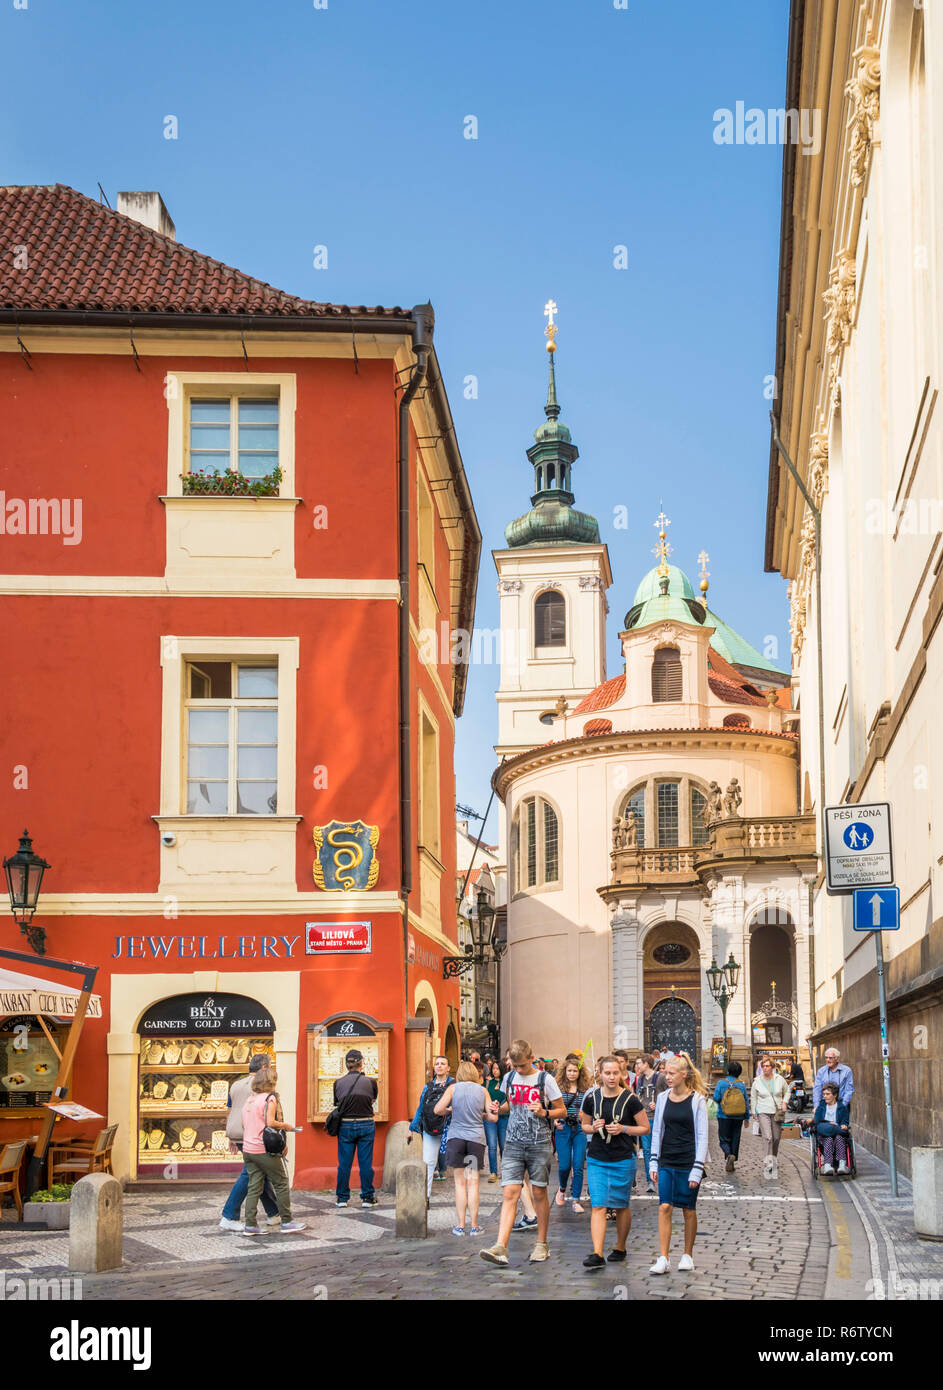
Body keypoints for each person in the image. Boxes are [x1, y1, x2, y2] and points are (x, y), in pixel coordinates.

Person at [479, 1038, 565, 1267]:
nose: (518, 1070)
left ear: (531, 1057)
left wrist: (544, 1112)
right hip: (514, 1142)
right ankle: (500, 1246)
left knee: (538, 1193)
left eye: (522, 1066)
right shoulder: (508, 1078)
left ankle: (542, 1243)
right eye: (514, 1066)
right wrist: (500, 1108)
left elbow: (562, 1111)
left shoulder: (545, 1080)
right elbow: (510, 1105)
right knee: (510, 1193)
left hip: (539, 1143)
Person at [580, 1055, 649, 1270]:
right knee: (598, 1204)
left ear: (621, 1074)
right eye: (607, 1073)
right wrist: (595, 1127)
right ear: (600, 1074)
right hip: (597, 1157)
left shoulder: (631, 1099)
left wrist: (623, 1129)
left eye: (615, 1073)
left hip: (622, 1157)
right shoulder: (592, 1098)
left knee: (620, 1205)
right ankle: (597, 1252)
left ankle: (620, 1246)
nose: (611, 1077)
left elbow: (645, 1128)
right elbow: (585, 1126)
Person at [648, 1052, 708, 1275]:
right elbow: (657, 1131)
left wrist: (697, 1169)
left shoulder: (697, 1100)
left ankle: (687, 1254)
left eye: (672, 1073)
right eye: (666, 1073)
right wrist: (653, 1162)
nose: (668, 1077)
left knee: (688, 1209)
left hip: (688, 1160)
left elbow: (702, 1136)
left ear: (684, 1074)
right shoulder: (663, 1097)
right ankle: (663, 1257)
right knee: (664, 1206)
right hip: (667, 1159)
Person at [240, 1065, 306, 1236]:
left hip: (248, 1149)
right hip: (263, 1149)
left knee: (254, 1186)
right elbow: (270, 1122)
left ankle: (250, 1225)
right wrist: (287, 1127)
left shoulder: (250, 1099)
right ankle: (287, 1221)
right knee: (282, 1182)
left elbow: (243, 1124)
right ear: (271, 1082)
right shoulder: (270, 1099)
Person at [434, 1061, 498, 1234]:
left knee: (460, 1184)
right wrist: (485, 1114)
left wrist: (449, 1110)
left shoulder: (453, 1088)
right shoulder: (482, 1090)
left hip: (456, 1139)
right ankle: (475, 1226)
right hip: (475, 1140)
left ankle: (460, 1226)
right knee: (473, 1183)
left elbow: (437, 1109)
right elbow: (493, 1119)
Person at [220, 1053, 280, 1231]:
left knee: (259, 1173)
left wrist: (230, 1135)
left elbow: (230, 1110)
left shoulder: (236, 1084)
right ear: (263, 1068)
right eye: (269, 1066)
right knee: (250, 1174)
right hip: (253, 1135)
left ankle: (274, 1213)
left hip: (237, 1133)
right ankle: (229, 1215)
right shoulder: (260, 1086)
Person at [333, 1048, 379, 1208]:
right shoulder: (371, 1082)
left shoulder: (338, 1083)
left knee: (344, 1163)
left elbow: (337, 1103)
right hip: (366, 1122)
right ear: (361, 1063)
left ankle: (342, 1198)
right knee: (366, 1163)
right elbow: (373, 1099)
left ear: (346, 1065)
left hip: (345, 1124)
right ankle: (367, 1197)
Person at [408, 1054, 455, 1197]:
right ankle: (426, 1197)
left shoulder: (454, 1085)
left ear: (448, 1068)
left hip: (450, 1128)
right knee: (428, 1162)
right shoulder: (427, 1087)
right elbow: (420, 1108)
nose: (439, 1066)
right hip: (430, 1127)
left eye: (442, 1063)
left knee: (459, 1163)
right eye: (437, 1064)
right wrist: (412, 1128)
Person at [554, 1055, 591, 1212]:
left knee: (578, 1165)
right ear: (564, 1071)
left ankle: (576, 1199)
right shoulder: (558, 1088)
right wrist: (555, 1119)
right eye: (569, 1070)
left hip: (579, 1129)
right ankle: (562, 1188)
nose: (571, 1073)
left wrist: (586, 1116)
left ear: (579, 1072)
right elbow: (553, 1106)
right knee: (564, 1165)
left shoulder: (585, 1090)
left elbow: (589, 1108)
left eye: (575, 1071)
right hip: (563, 1128)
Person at [751, 1054, 789, 1179]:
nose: (765, 1068)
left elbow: (787, 1091)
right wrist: (753, 1112)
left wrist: (784, 1102)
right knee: (768, 1137)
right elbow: (754, 1098)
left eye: (768, 1066)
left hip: (777, 1111)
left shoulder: (779, 1079)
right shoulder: (757, 1081)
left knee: (776, 1138)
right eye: (764, 1066)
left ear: (772, 1067)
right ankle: (769, 1162)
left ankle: (773, 1158)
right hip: (763, 1111)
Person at [634, 1053, 668, 1192]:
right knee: (647, 1150)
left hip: (659, 1119)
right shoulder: (640, 1079)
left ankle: (663, 1177)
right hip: (645, 1119)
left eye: (639, 1063)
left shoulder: (660, 1078)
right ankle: (650, 1181)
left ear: (646, 1064)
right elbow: (639, 1095)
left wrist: (659, 1103)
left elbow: (670, 1093)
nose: (637, 1066)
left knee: (661, 1149)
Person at [713, 1060, 750, 1172]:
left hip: (723, 1115)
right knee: (735, 1138)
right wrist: (747, 1117)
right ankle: (732, 1161)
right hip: (738, 1116)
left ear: (728, 1071)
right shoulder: (741, 1084)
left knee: (723, 1139)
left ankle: (728, 1154)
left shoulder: (721, 1083)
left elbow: (716, 1098)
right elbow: (746, 1101)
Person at [810, 1082, 851, 1174]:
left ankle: (842, 1164)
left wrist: (844, 1125)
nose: (825, 1096)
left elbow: (845, 1121)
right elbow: (817, 1121)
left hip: (838, 1134)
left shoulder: (842, 1108)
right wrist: (829, 1123)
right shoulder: (821, 1107)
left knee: (839, 1138)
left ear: (835, 1095)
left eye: (828, 1094)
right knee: (828, 1138)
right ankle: (828, 1165)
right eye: (824, 1094)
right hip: (824, 1135)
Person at [484, 1059, 504, 1183]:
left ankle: (506, 1171)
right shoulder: (487, 1083)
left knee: (503, 1145)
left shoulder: (507, 1082)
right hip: (490, 1117)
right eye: (494, 1068)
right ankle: (493, 1172)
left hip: (504, 1117)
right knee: (491, 1145)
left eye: (497, 1068)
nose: (495, 1070)